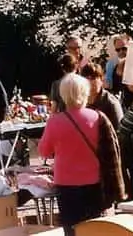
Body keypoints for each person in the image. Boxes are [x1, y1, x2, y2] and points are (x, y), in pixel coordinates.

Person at [38, 74, 106, 236]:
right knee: (94, 228)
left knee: (71, 229)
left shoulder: (55, 121)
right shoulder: (97, 117)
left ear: (63, 95)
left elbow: (43, 151)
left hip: (66, 184)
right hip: (94, 181)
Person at [79, 63, 123, 131]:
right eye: (86, 78)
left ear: (101, 79)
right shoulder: (78, 100)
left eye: (93, 78)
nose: (89, 82)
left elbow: (119, 130)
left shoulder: (111, 103)